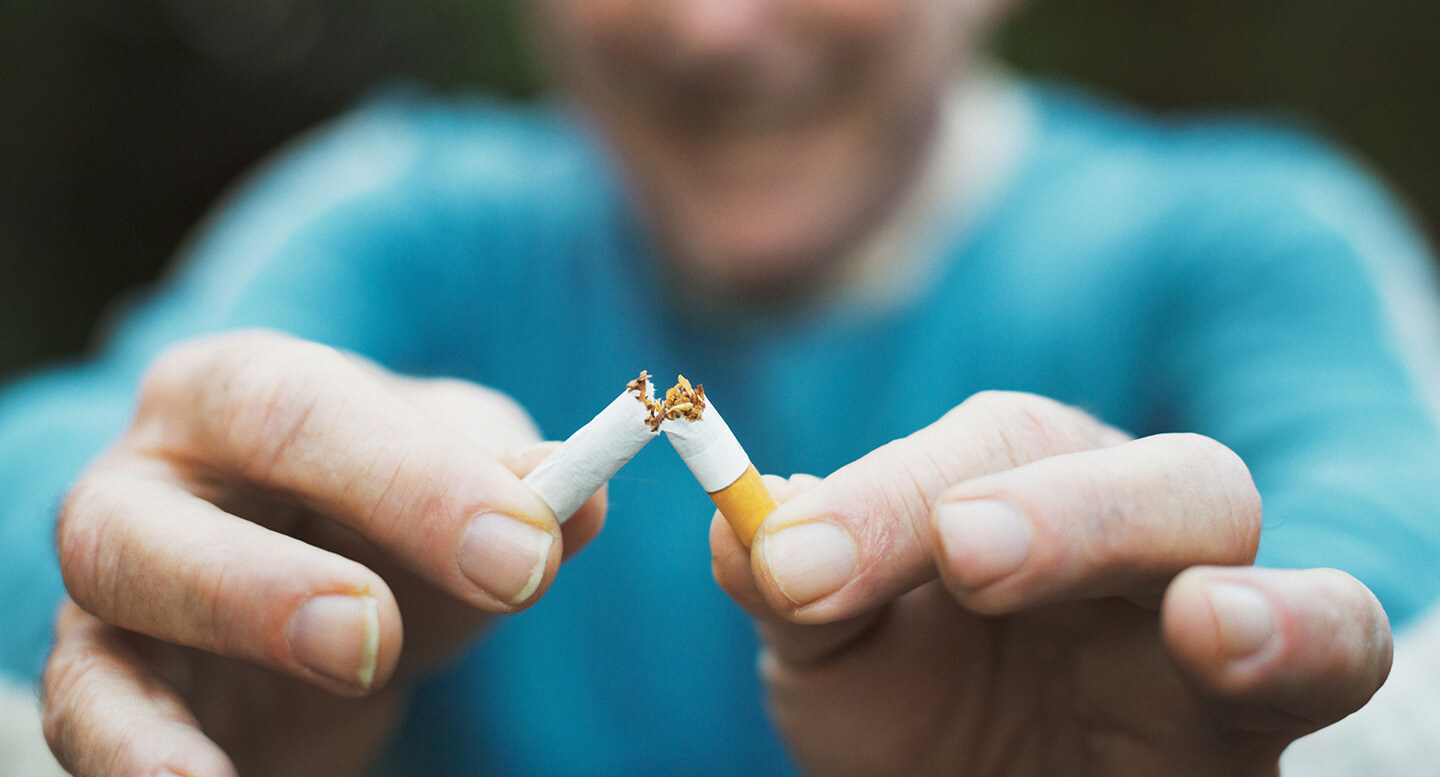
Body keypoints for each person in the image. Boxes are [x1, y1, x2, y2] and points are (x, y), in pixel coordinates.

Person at [3, 0, 1438, 774]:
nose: (713, 25)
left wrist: (1267, 726)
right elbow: (107, 435)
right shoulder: (399, 216)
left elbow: (1386, 551)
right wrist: (131, 576)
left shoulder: (1246, 240)